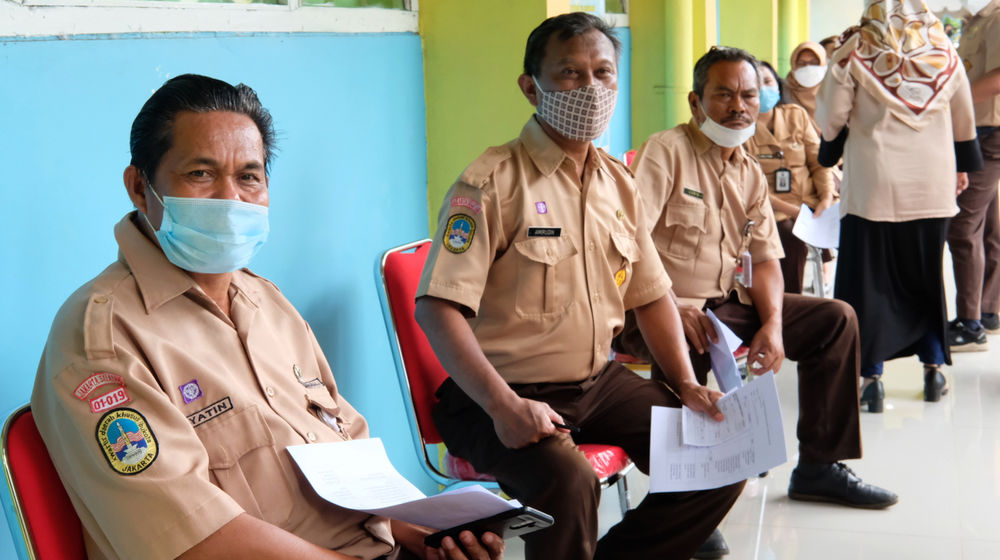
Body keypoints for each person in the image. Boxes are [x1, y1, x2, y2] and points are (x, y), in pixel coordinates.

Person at [30, 74, 505, 560]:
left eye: (249, 177)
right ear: (139, 186)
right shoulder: (103, 340)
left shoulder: (265, 301)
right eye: (200, 174)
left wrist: (428, 535)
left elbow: (354, 465)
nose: (230, 199)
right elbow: (194, 541)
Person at [414, 13, 744, 560]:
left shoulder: (619, 181)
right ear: (531, 87)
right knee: (569, 482)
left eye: (603, 73)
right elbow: (436, 309)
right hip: (498, 393)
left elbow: (652, 293)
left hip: (597, 383)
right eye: (570, 73)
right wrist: (503, 406)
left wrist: (685, 383)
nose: (590, 89)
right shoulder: (491, 182)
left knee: (717, 456)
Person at [625, 45, 899, 553]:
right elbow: (631, 245)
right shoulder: (666, 151)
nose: (739, 106)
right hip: (655, 304)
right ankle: (685, 505)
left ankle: (819, 465)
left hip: (722, 302)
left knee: (835, 320)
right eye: (723, 94)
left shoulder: (748, 169)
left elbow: (767, 259)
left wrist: (772, 323)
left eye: (748, 94)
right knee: (690, 339)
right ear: (695, 101)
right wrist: (669, 303)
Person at [816, 0, 983, 411]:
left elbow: (832, 116)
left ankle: (871, 377)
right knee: (924, 277)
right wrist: (964, 164)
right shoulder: (942, 49)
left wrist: (829, 146)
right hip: (930, 186)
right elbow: (964, 116)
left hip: (876, 185)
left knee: (868, 281)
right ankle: (933, 370)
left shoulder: (857, 50)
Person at [745, 61, 837, 294]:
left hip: (810, 203)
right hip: (770, 208)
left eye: (768, 81)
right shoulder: (743, 127)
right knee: (788, 232)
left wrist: (826, 197)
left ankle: (829, 286)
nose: (763, 88)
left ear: (777, 85)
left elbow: (819, 162)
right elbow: (748, 184)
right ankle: (789, 300)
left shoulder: (796, 115)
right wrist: (795, 211)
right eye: (756, 84)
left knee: (843, 220)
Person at [945, 0, 1000, 351]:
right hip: (977, 129)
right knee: (989, 225)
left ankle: (970, 324)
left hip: (989, 131)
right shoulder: (974, 21)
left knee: (962, 224)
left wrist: (949, 103)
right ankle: (988, 310)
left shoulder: (997, 18)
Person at [784, 41, 828, 129]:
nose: (808, 67)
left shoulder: (834, 91)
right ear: (793, 66)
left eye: (814, 62)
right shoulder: (784, 92)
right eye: (801, 63)